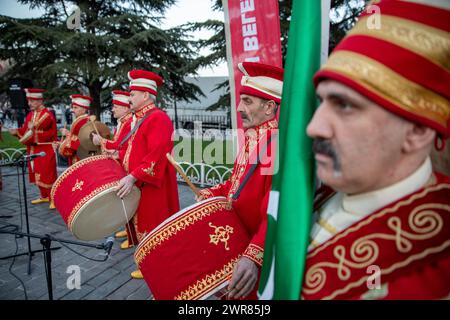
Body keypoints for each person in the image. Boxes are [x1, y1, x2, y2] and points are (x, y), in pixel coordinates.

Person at [303, 0, 450, 300]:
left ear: (418, 131)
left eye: (344, 105)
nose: (314, 127)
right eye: (322, 102)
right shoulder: (324, 193)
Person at [196, 62, 283, 299]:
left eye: (247, 101)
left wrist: (254, 255)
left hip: (255, 250)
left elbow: (277, 210)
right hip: (237, 239)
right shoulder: (253, 138)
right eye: (241, 100)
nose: (239, 108)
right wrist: (211, 192)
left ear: (269, 107)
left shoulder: (278, 146)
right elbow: (236, 184)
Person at [115, 69, 180, 279]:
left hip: (152, 185)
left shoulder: (157, 118)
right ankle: (149, 263)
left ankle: (157, 267)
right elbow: (134, 149)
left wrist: (133, 175)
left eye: (133, 94)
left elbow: (157, 155)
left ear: (145, 95)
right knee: (143, 224)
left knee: (153, 225)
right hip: (142, 182)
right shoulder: (140, 118)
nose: (129, 98)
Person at [92, 90, 135, 249]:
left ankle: (132, 235)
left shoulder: (129, 122)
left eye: (116, 106)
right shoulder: (123, 122)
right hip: (122, 164)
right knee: (124, 200)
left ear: (125, 108)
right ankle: (128, 229)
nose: (113, 109)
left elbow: (119, 146)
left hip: (128, 167)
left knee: (128, 199)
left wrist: (101, 141)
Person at [9, 88, 57, 209]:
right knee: (37, 173)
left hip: (45, 150)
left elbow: (47, 133)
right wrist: (17, 132)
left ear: (40, 101)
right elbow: (27, 129)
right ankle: (44, 196)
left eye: (32, 101)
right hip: (33, 149)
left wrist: (32, 131)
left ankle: (54, 198)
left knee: (48, 174)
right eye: (29, 100)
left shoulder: (47, 115)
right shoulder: (31, 114)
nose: (29, 103)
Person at [56, 94, 91, 166]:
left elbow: (81, 141)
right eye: (73, 107)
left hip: (80, 157)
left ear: (84, 109)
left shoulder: (83, 121)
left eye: (76, 108)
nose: (73, 110)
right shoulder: (83, 120)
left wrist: (67, 134)